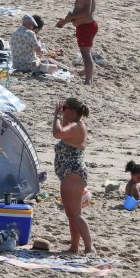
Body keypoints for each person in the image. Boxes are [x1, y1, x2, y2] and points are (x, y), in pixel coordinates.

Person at [52, 97, 93, 253]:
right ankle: (74, 246)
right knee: (72, 214)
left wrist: (56, 116)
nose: (62, 110)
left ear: (74, 112)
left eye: (65, 108)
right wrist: (62, 117)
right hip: (70, 175)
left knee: (75, 214)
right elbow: (62, 132)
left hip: (73, 174)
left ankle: (89, 247)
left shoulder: (77, 126)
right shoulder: (75, 125)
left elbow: (57, 133)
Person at [56, 0, 98, 85]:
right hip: (86, 26)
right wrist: (65, 21)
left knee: (85, 55)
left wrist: (70, 17)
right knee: (87, 52)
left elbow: (86, 13)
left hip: (86, 27)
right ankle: (86, 72)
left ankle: (88, 81)